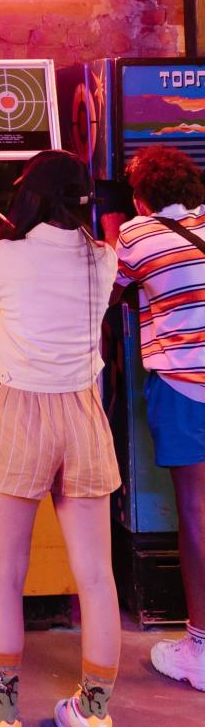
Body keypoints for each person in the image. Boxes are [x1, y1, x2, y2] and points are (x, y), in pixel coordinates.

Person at [0, 149, 122, 727]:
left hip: (21, 413)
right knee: (97, 576)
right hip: (81, 415)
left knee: (4, 573)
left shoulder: (5, 255)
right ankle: (97, 716)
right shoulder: (102, 260)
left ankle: (4, 724)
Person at [103, 146, 205, 690]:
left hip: (187, 384)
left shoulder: (138, 236)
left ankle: (201, 649)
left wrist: (113, 227)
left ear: (141, 195)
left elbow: (106, 291)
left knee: (196, 511)